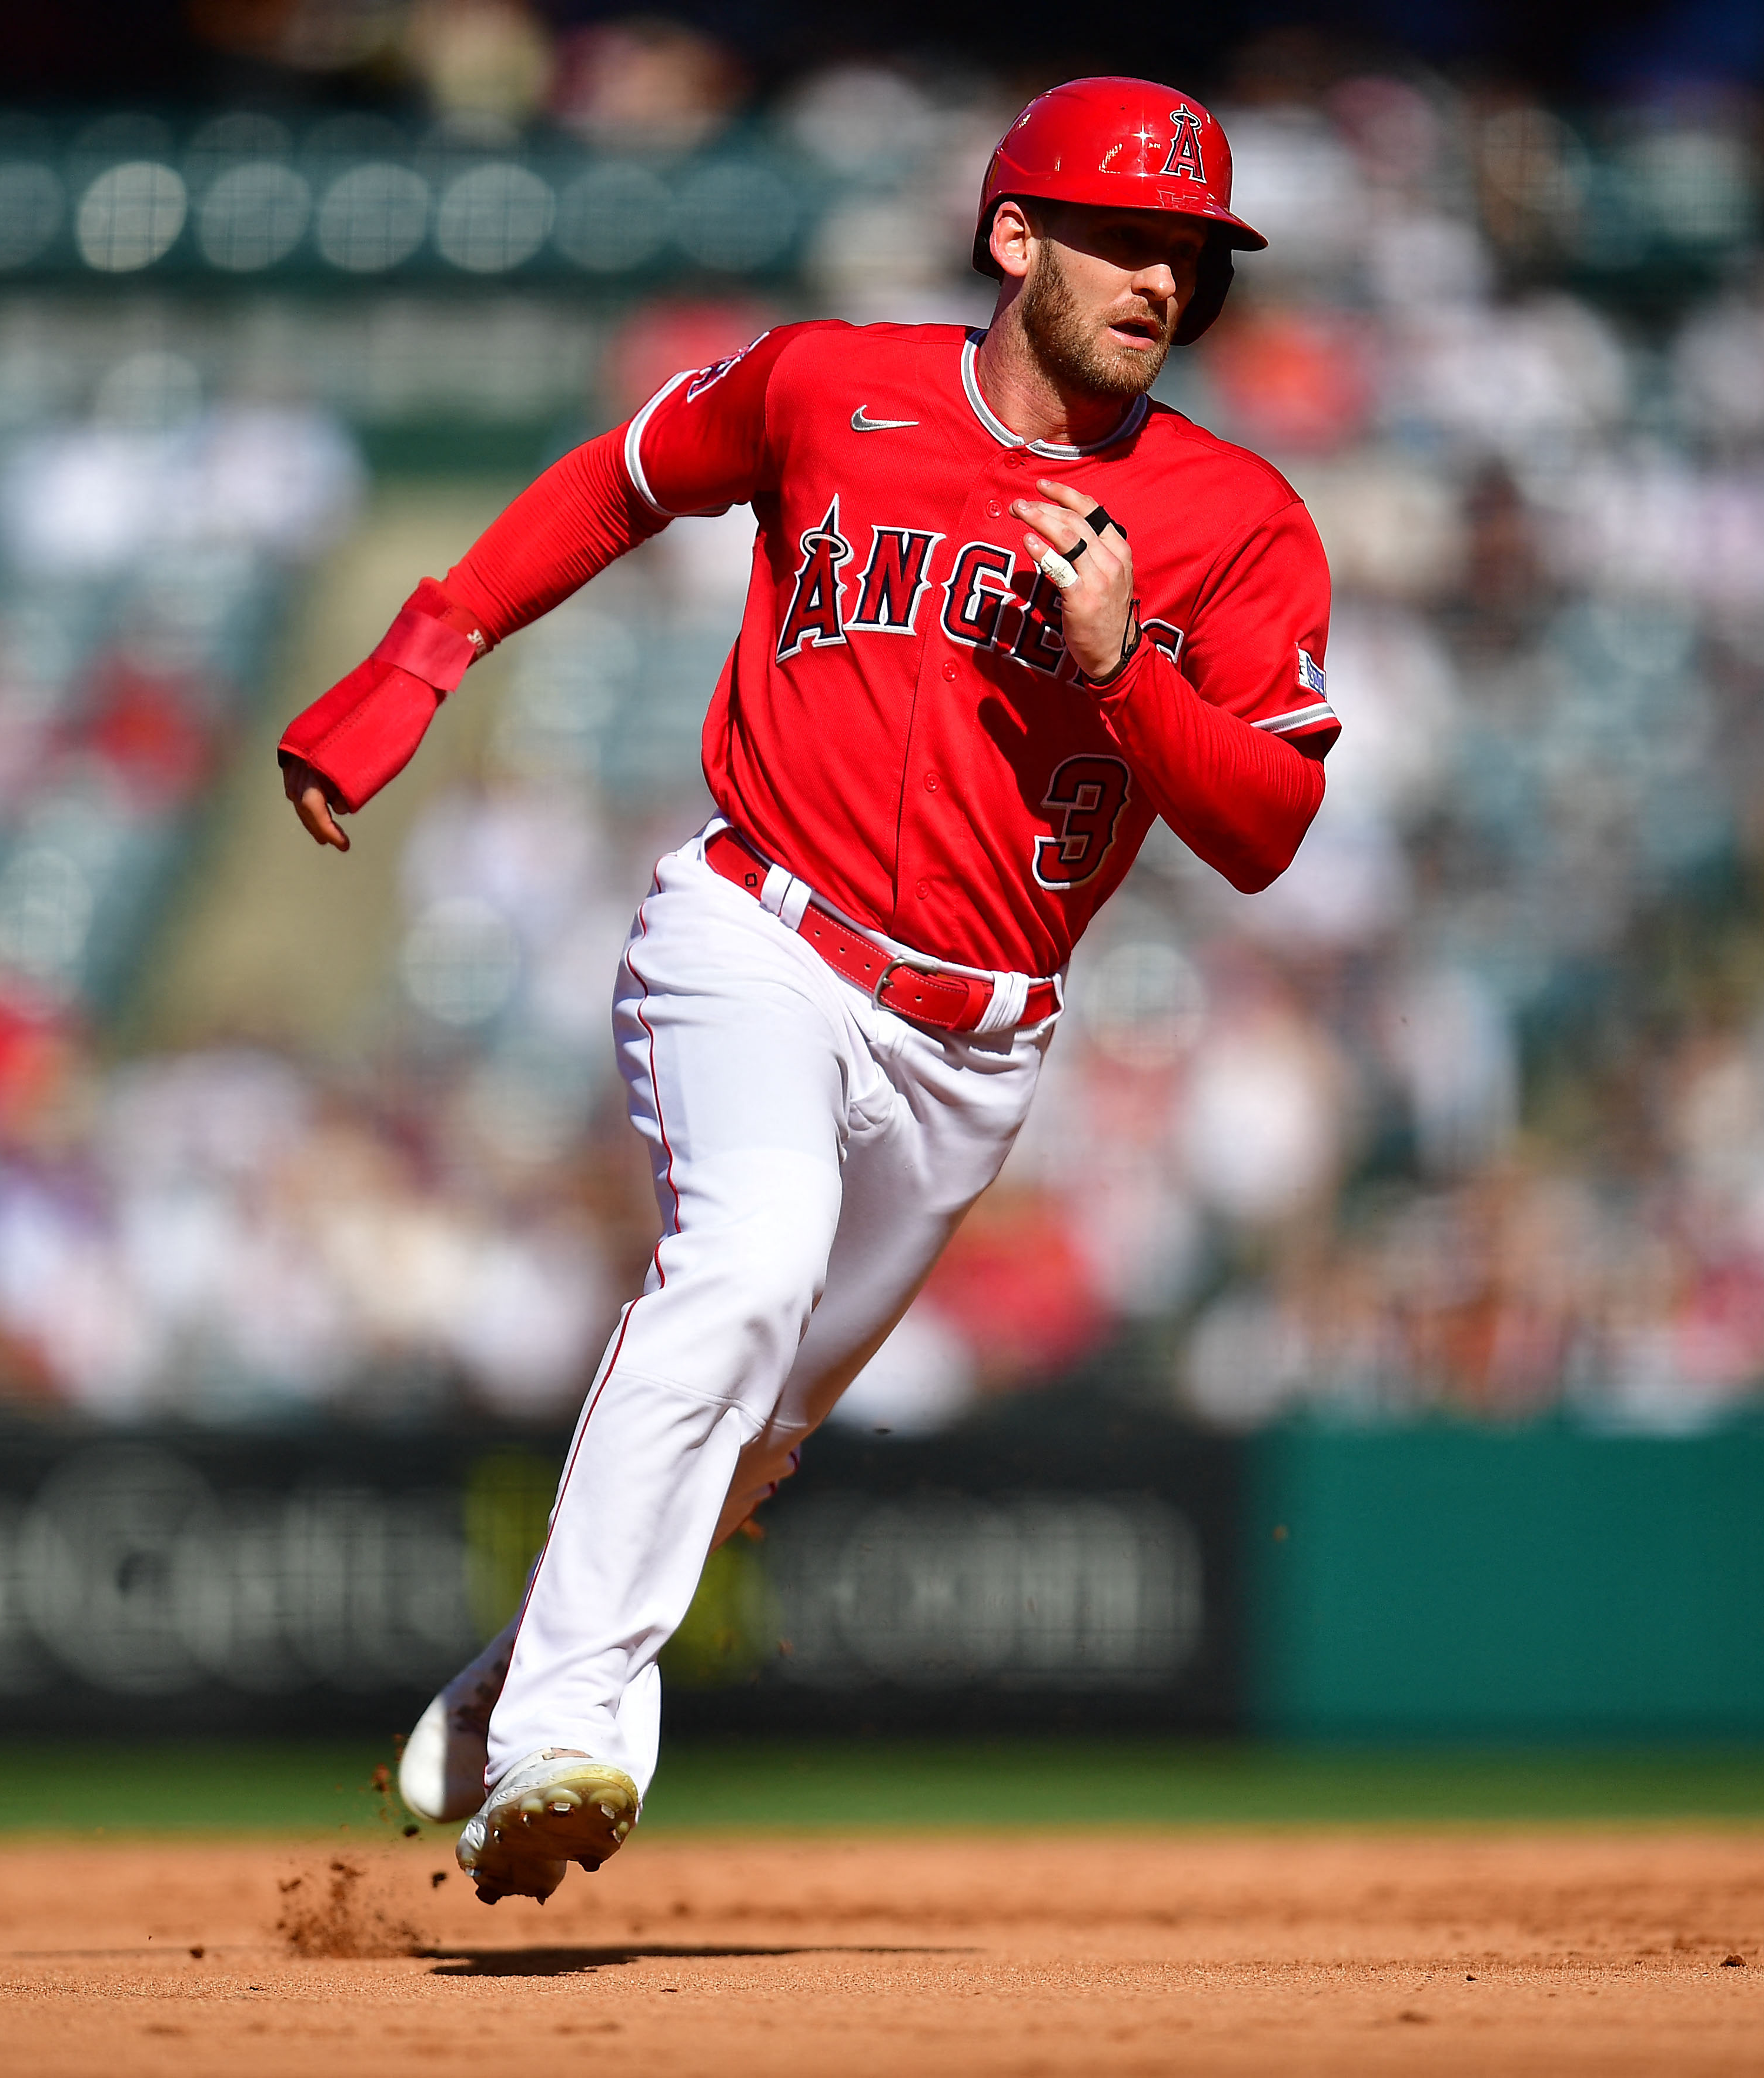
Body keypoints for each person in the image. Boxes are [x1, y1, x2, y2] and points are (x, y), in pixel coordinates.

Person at [276, 78, 1338, 1902]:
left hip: (979, 1040)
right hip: (754, 933)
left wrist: (1121, 676)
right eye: (1120, 237)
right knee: (743, 1268)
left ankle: (510, 1685)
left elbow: (1269, 825)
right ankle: (564, 1739)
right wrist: (428, 640)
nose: (1161, 278)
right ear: (1016, 238)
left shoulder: (1236, 521)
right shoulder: (828, 385)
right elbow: (622, 483)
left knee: (749, 1442)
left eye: (1190, 252)